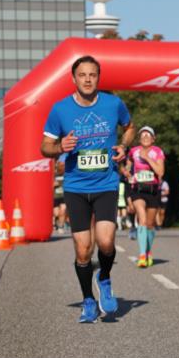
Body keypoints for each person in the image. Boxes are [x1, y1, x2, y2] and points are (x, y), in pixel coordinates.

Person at [41, 55, 134, 323]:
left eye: (92, 75)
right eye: (82, 75)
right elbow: (44, 147)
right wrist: (60, 148)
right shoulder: (60, 110)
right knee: (83, 250)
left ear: (98, 78)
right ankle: (88, 300)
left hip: (106, 183)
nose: (88, 79)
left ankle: (104, 278)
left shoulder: (113, 103)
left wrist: (124, 146)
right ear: (74, 79)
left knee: (105, 242)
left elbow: (129, 128)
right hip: (76, 186)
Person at [128, 126, 166, 267]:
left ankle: (148, 251)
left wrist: (147, 159)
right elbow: (128, 166)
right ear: (139, 138)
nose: (145, 137)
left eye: (148, 135)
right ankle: (142, 255)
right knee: (142, 220)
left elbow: (160, 172)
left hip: (153, 190)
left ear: (153, 138)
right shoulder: (133, 151)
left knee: (150, 224)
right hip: (138, 190)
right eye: (142, 135)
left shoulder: (157, 152)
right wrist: (127, 173)